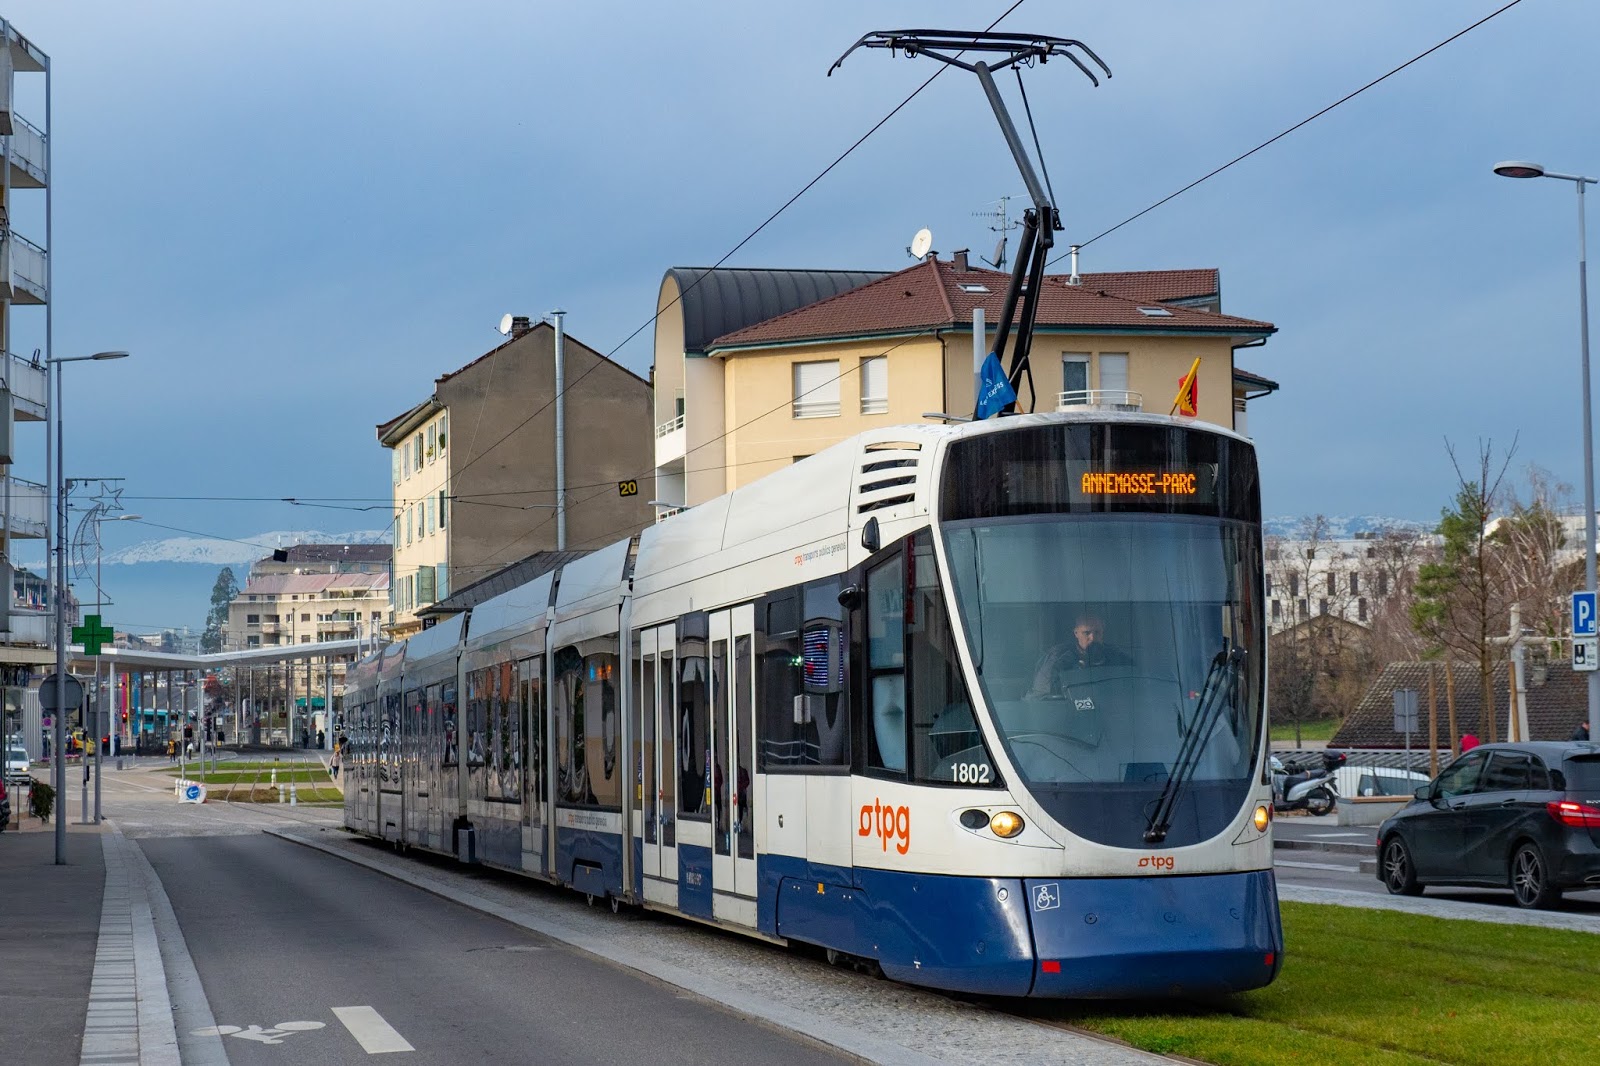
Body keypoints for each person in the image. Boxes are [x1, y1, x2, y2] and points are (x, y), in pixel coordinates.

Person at [1025, 610, 1132, 698]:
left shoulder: (1119, 658)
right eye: (1087, 633)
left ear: (1103, 632)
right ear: (1076, 633)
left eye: (1097, 632)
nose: (1092, 638)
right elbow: (1043, 697)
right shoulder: (1058, 660)